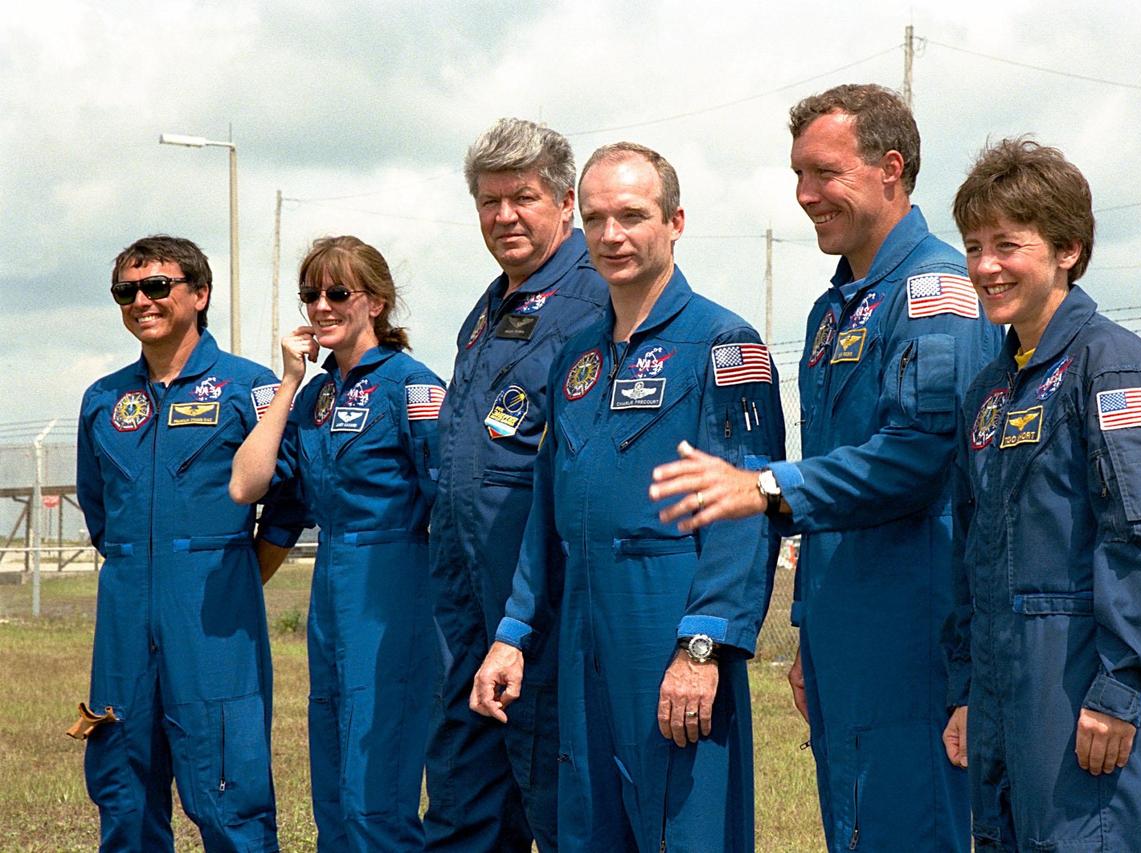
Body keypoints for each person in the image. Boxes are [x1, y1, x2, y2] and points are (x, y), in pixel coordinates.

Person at [649, 83, 1002, 850]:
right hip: (845, 626)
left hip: (917, 624)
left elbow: (921, 454)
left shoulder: (937, 292)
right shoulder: (834, 307)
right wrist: (810, 628)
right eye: (797, 175)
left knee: (913, 826)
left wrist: (769, 486)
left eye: (824, 173)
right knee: (852, 825)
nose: (806, 195)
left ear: (891, 169)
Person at [471, 142, 785, 852]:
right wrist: (514, 633)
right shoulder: (577, 356)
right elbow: (547, 508)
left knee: (684, 827)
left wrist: (701, 646)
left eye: (632, 215)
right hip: (583, 625)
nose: (612, 235)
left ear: (675, 221)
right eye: (596, 218)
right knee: (587, 826)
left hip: (667, 618)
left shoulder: (724, 344)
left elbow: (747, 513)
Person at [942, 139, 1141, 851]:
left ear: (1067, 249)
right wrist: (966, 689)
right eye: (973, 246)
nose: (986, 266)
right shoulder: (989, 391)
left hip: (1079, 692)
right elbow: (973, 551)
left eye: (1007, 244)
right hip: (1000, 698)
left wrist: (1120, 690)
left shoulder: (1112, 370)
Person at [424, 118, 607, 853]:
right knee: (464, 805)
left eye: (523, 197)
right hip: (468, 601)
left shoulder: (596, 301)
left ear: (565, 202)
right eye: (489, 201)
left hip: (548, 608)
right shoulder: (488, 308)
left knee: (558, 802)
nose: (504, 216)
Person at [229, 236, 446, 850]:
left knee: (377, 774)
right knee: (333, 768)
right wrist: (291, 380)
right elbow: (259, 491)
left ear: (375, 302)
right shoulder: (316, 397)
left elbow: (450, 502)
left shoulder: (412, 385)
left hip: (394, 580)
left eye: (337, 292)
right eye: (309, 294)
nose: (320, 306)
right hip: (332, 583)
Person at [73, 235, 285, 851]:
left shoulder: (250, 388)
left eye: (157, 287)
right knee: (122, 783)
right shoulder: (103, 400)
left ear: (200, 294)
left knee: (227, 784)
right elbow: (99, 510)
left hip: (214, 615)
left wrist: (240, 570)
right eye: (127, 291)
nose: (141, 300)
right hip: (125, 613)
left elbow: (291, 495)